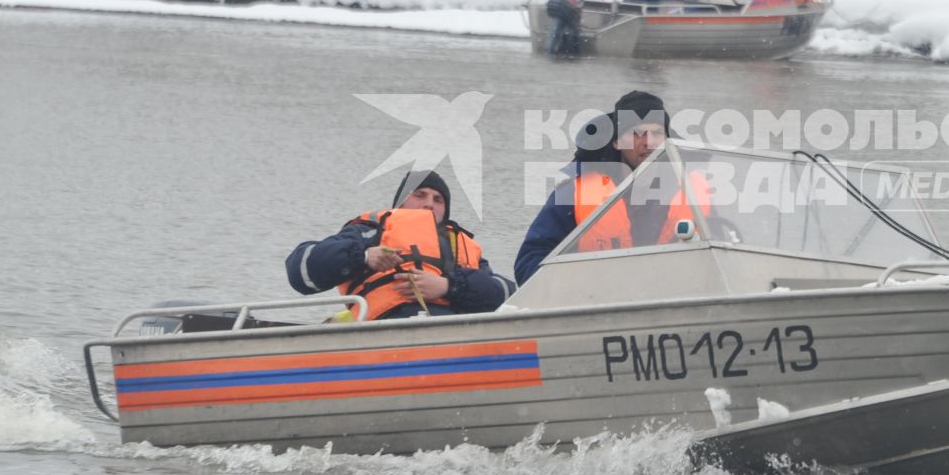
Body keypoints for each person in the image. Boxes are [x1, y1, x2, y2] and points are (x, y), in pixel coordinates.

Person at [513, 90, 709, 283]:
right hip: (595, 300)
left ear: (668, 141)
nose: (649, 142)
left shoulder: (692, 193)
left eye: (657, 133)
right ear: (616, 142)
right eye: (637, 133)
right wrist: (574, 284)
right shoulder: (573, 195)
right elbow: (529, 262)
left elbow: (726, 249)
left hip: (671, 297)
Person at [285, 170, 513, 319]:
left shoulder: (460, 244)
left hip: (449, 332)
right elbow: (301, 269)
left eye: (438, 199)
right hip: (384, 330)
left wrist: (447, 286)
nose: (429, 205)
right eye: (420, 195)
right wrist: (364, 256)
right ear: (401, 201)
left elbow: (507, 294)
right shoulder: (371, 231)